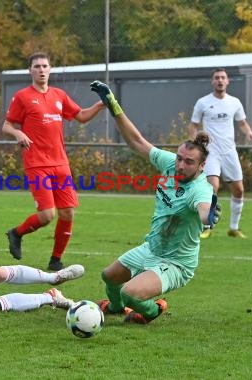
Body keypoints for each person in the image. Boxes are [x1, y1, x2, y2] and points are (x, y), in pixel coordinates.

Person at [89, 80, 221, 324]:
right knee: (109, 277)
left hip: (176, 263)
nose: (181, 165)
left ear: (202, 166)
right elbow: (137, 141)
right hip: (151, 248)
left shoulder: (200, 189)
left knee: (130, 292)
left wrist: (209, 216)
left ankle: (152, 310)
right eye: (180, 158)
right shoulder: (170, 164)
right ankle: (116, 307)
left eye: (189, 162)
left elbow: (204, 212)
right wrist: (112, 104)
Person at [2, 52, 106, 271]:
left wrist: (100, 104)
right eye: (37, 66)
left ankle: (56, 260)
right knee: (47, 215)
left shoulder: (59, 95)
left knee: (68, 212)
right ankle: (16, 233)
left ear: (50, 69)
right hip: (37, 164)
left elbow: (82, 116)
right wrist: (18, 134)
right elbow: (7, 125)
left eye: (45, 66)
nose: (41, 70)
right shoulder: (22, 96)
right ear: (30, 70)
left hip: (60, 164)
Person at [188, 68, 252, 239]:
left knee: (239, 190)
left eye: (223, 78)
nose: (220, 80)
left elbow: (242, 123)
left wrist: (249, 133)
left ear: (227, 82)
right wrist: (194, 145)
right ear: (213, 82)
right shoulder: (203, 102)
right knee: (213, 187)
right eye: (217, 78)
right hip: (211, 152)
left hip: (229, 152)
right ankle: (207, 226)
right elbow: (193, 125)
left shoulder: (234, 102)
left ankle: (234, 228)